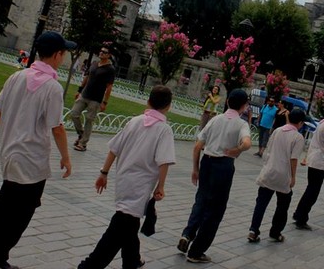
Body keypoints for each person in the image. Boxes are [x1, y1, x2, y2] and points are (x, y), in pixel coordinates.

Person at [0, 31, 75, 269]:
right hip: (32, 160)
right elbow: (57, 127)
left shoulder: (16, 77)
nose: (63, 59)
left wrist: (10, 133)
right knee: (16, 213)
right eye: (63, 54)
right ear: (58, 54)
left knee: (9, 205)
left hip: (10, 153)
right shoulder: (52, 87)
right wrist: (66, 157)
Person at [77, 86, 176, 269]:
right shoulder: (164, 130)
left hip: (123, 181)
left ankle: (132, 261)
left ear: (148, 102)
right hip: (141, 186)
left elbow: (114, 148)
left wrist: (103, 173)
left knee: (129, 223)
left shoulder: (134, 121)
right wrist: (160, 187)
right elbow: (164, 162)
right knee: (121, 226)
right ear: (168, 106)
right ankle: (89, 265)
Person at [177, 89, 252, 264]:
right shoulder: (241, 124)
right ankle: (197, 251)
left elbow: (197, 146)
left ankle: (187, 234)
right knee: (215, 209)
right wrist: (237, 149)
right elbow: (247, 143)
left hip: (207, 162)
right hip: (223, 165)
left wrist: (195, 168)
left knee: (201, 200)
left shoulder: (215, 120)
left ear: (227, 102)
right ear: (243, 106)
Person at [247, 108, 306, 243]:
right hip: (283, 175)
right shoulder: (298, 137)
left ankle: (253, 230)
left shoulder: (277, 131)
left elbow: (268, 150)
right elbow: (294, 158)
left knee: (261, 203)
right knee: (283, 204)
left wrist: (266, 165)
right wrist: (293, 177)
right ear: (300, 123)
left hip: (269, 171)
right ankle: (275, 232)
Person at [292, 104, 324, 230]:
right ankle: (301, 218)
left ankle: (299, 214)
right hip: (319, 162)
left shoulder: (323, 123)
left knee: (310, 190)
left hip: (314, 160)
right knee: (313, 193)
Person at [71, 46, 116, 152]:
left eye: (104, 52)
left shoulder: (110, 69)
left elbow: (109, 87)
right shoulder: (94, 63)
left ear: (109, 55)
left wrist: (105, 102)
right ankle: (81, 134)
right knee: (74, 114)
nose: (101, 53)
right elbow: (86, 77)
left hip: (96, 99)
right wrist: (79, 90)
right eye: (101, 51)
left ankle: (83, 143)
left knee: (89, 120)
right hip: (85, 94)